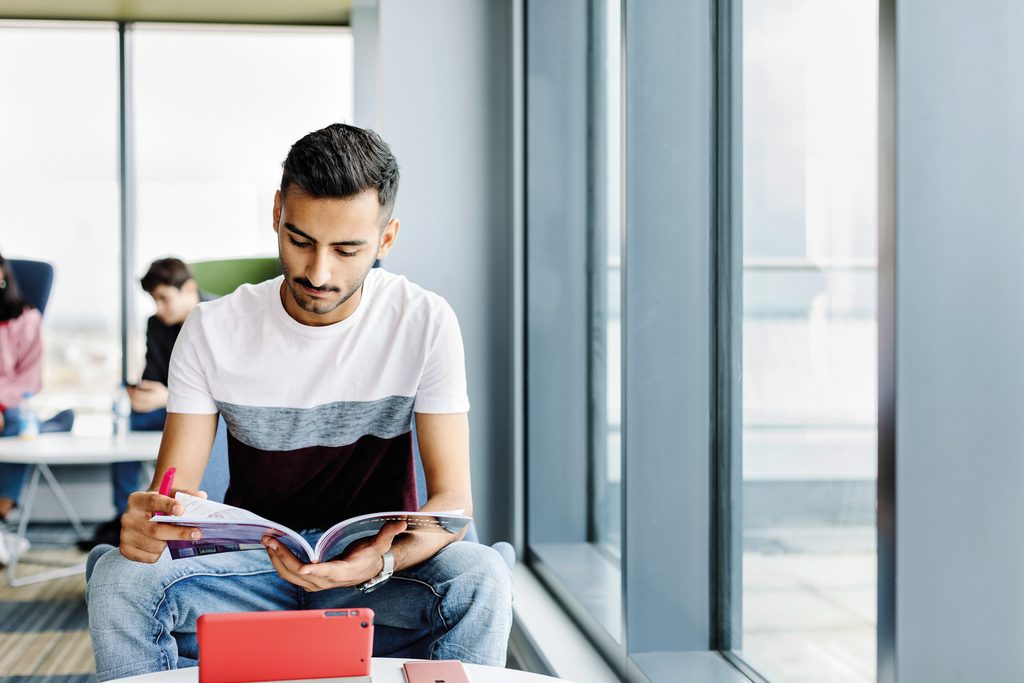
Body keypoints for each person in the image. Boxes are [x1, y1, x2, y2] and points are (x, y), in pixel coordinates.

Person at [86, 123, 513, 680]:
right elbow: (175, 495)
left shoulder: (425, 322)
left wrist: (380, 560)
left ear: (386, 239)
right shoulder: (213, 329)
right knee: (117, 576)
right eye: (301, 240)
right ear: (276, 214)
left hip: (374, 573)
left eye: (347, 249)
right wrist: (151, 519)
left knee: (480, 576)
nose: (318, 273)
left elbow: (454, 499)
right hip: (251, 569)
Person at [77, 258, 209, 550]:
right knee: (129, 421)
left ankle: (165, 510)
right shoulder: (157, 325)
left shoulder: (217, 317)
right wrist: (142, 393)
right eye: (154, 300)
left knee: (144, 419)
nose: (159, 309)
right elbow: (153, 375)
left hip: (206, 412)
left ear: (189, 289)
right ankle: (128, 512)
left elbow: (223, 388)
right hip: (165, 405)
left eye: (164, 298)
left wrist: (168, 396)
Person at [0, 251, 74, 564]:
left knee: (17, 422)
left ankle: (0, 514)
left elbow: (29, 379)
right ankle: (51, 425)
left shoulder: (26, 318)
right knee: (29, 426)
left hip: (11, 405)